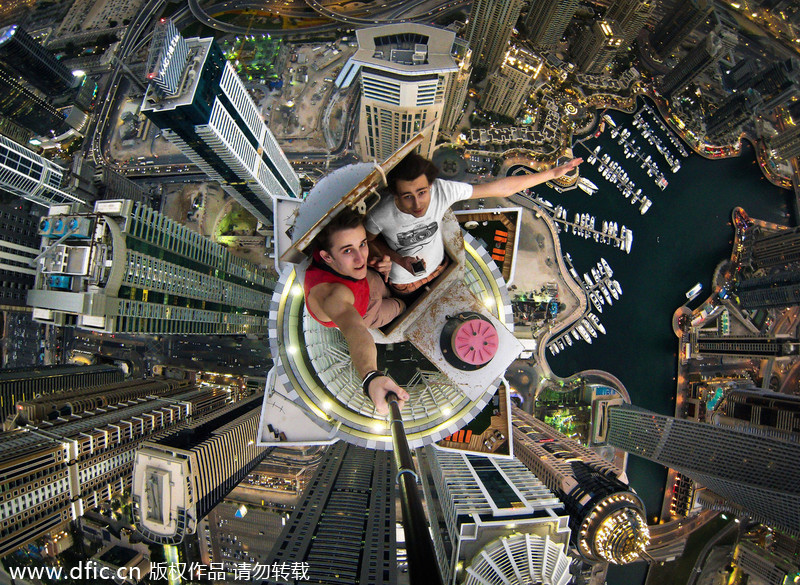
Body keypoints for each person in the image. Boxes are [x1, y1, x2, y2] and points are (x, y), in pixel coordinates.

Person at [366, 153, 583, 295]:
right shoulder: (381, 213)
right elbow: (368, 241)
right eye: (407, 196)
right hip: (403, 281)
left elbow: (501, 188)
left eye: (422, 192)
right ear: (395, 193)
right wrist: (399, 260)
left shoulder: (442, 190)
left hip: (439, 266)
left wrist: (552, 174)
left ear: (431, 185)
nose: (417, 204)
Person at [303, 209, 410, 415]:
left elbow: (361, 258)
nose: (361, 258)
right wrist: (371, 376)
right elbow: (356, 331)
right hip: (368, 313)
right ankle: (402, 302)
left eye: (362, 244)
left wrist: (377, 262)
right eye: (347, 251)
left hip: (369, 283)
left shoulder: (336, 255)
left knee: (391, 290)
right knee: (400, 306)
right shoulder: (331, 296)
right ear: (327, 257)